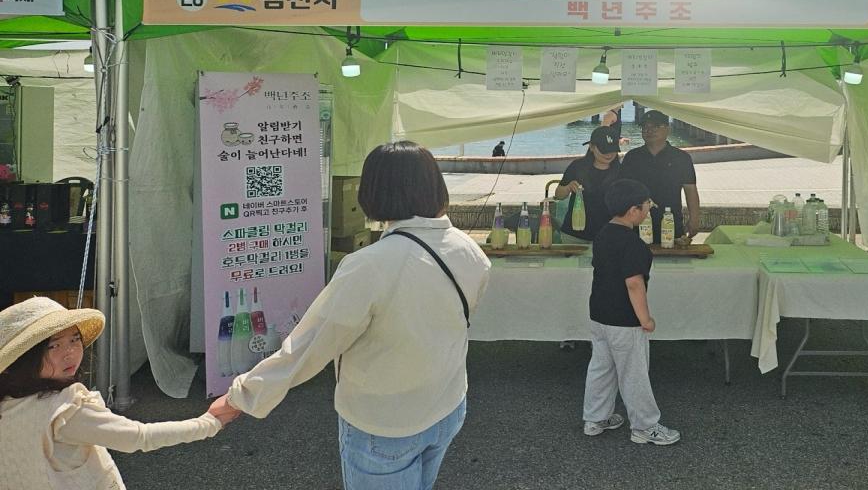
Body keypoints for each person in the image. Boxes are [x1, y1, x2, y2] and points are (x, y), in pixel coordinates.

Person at [224, 141, 491, 490]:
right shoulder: (469, 250)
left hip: (384, 423)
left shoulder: (368, 266)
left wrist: (243, 395)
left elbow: (308, 347)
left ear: (374, 192)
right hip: (448, 404)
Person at [0, 297, 234, 489]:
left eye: (75, 339)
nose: (70, 352)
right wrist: (209, 423)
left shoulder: (8, 404)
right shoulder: (65, 409)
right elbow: (139, 437)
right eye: (53, 345)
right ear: (25, 358)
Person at [582, 178, 680, 447]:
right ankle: (645, 426)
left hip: (599, 313)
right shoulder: (634, 244)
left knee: (601, 366)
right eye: (647, 205)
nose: (649, 210)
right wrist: (645, 319)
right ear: (633, 210)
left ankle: (595, 418)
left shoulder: (603, 234)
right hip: (624, 319)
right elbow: (634, 283)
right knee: (634, 372)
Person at [619, 110, 699, 242]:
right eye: (645, 127)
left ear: (667, 129)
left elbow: (690, 190)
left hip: (670, 224)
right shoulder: (632, 157)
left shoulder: (681, 158)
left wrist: (694, 219)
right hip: (637, 225)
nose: (649, 130)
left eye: (655, 126)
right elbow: (622, 191)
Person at [555, 126, 622, 242]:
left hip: (609, 234)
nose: (609, 155)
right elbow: (559, 194)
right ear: (591, 147)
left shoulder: (621, 171)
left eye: (613, 150)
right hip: (575, 233)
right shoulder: (577, 166)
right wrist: (568, 187)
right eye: (604, 150)